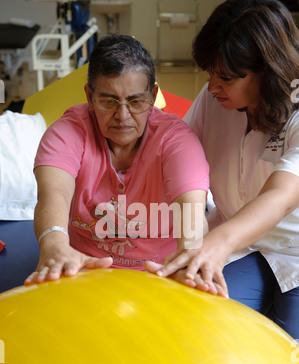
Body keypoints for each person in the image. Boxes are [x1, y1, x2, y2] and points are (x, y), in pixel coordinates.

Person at [146, 0, 299, 338]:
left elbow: (283, 195)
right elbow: (177, 158)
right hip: (242, 246)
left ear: (269, 71)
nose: (213, 87)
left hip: (293, 251)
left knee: (287, 355)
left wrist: (215, 244)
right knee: (195, 323)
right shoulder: (214, 98)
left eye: (226, 78)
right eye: (210, 74)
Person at [25, 35, 209, 286]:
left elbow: (192, 213)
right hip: (82, 270)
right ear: (89, 97)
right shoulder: (67, 132)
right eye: (108, 101)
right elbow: (53, 194)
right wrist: (55, 244)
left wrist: (189, 259)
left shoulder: (176, 140)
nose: (122, 116)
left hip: (162, 275)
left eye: (135, 101)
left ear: (153, 96)